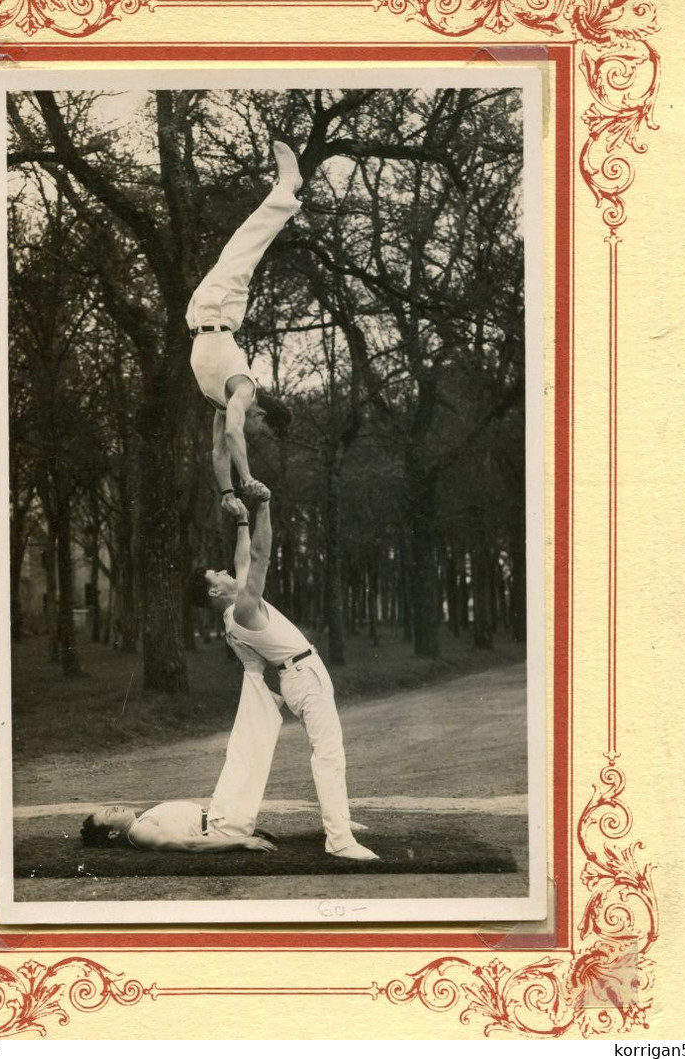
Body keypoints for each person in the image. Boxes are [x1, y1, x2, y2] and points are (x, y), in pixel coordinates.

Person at [187, 495, 379, 861]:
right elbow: (260, 558)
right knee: (329, 755)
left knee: (327, 751)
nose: (227, 572)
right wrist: (263, 506)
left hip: (301, 674)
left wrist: (242, 521)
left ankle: (341, 821)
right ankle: (338, 839)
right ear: (214, 590)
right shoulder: (243, 609)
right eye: (219, 574)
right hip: (303, 675)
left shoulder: (234, 610)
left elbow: (244, 559)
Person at [186, 141, 301, 517]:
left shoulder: (224, 403)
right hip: (220, 308)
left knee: (244, 244)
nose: (256, 436)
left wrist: (227, 492)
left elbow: (218, 449)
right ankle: (287, 188)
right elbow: (236, 434)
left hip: (201, 315)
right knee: (247, 243)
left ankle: (284, 191)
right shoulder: (244, 389)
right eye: (263, 433)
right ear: (262, 416)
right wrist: (248, 476)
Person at [80, 801, 277, 853]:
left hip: (222, 821)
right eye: (109, 814)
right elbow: (188, 844)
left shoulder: (141, 823)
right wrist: (240, 840)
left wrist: (237, 828)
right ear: (113, 833)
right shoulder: (139, 831)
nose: (114, 807)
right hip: (219, 828)